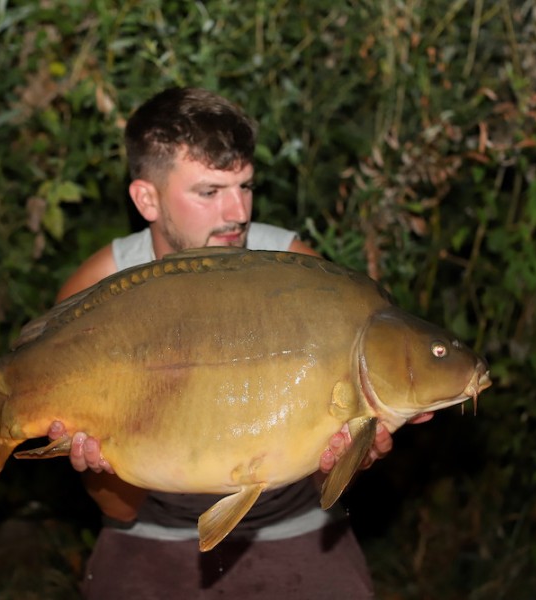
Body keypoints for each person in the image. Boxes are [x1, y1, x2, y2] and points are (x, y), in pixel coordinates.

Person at [49, 87, 418, 598]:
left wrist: (351, 456)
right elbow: (118, 509)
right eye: (209, 192)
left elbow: (324, 484)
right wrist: (99, 467)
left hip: (294, 525)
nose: (237, 212)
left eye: (245, 187)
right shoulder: (95, 294)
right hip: (151, 529)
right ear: (146, 198)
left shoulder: (301, 272)